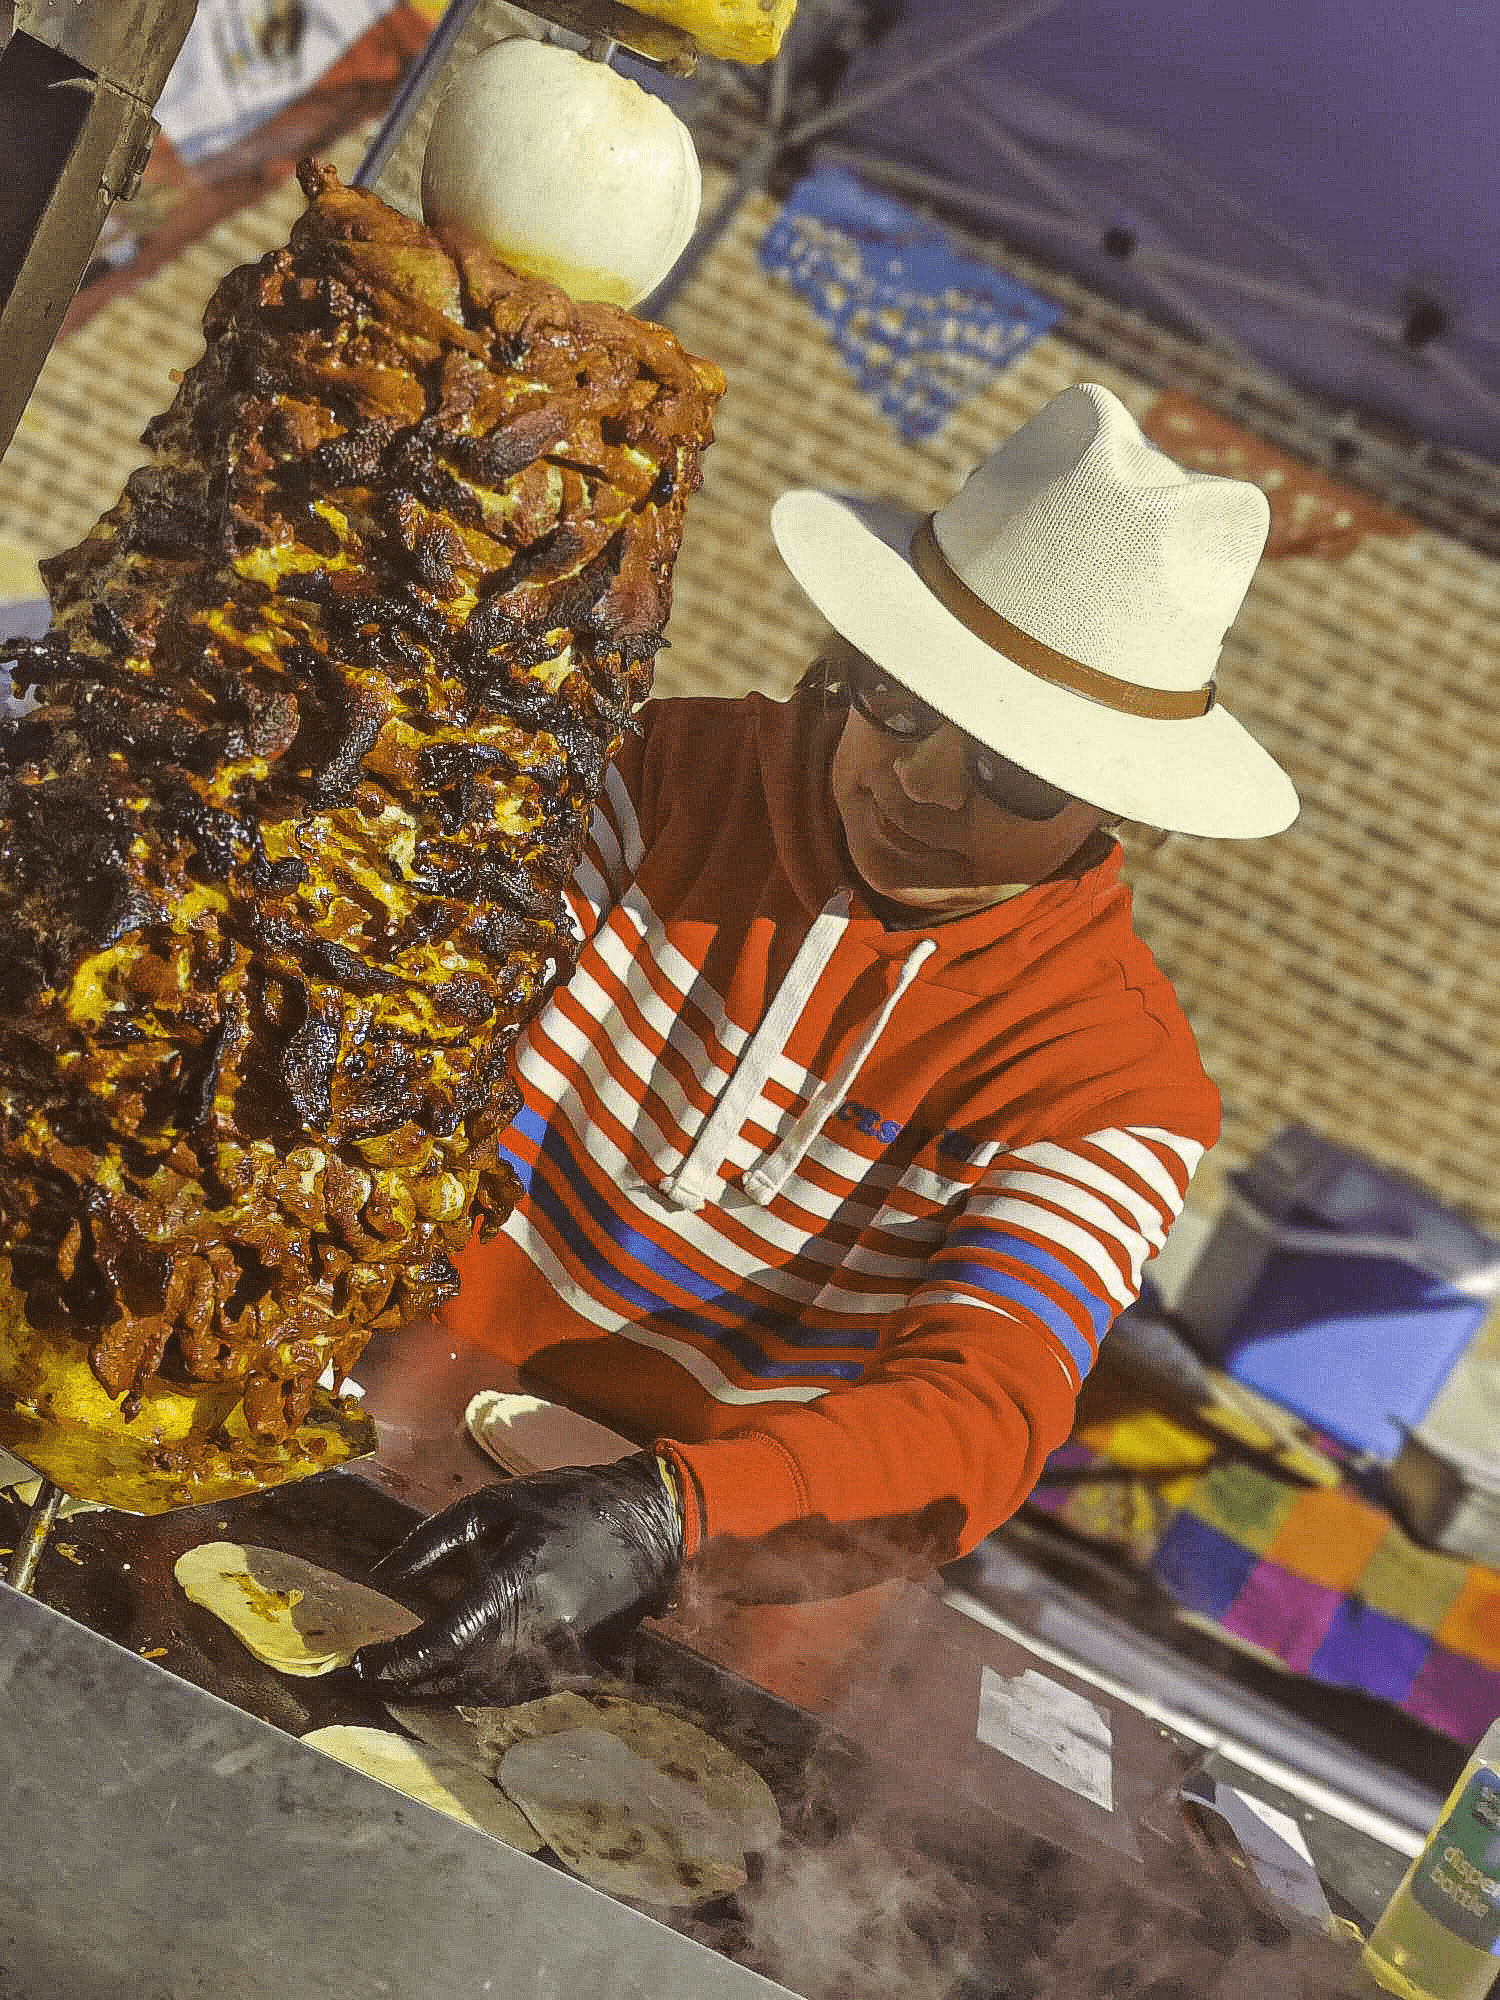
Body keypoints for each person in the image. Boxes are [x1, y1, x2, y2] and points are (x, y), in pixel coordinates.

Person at [351, 380, 1299, 1696]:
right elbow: (419, 1032)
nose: (916, 782)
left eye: (1012, 773)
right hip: (371, 1422)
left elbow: (984, 1409)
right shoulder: (655, 777)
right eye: (898, 702)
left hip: (717, 1600)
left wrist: (663, 1516)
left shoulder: (1117, 1080)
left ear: (1113, 805)